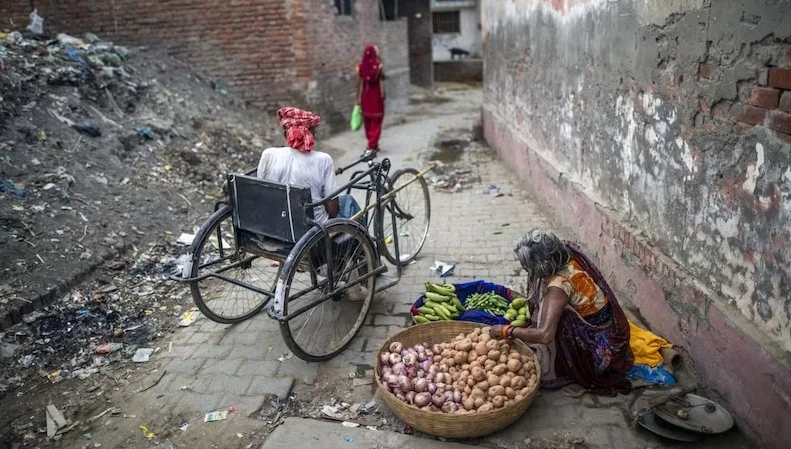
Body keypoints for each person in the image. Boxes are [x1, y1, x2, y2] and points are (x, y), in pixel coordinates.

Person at [490, 230, 634, 395]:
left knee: (558, 320)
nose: (526, 270)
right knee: (551, 310)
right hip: (609, 327)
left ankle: (564, 368)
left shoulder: (559, 286)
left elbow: (545, 335)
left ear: (541, 264)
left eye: (527, 266)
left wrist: (507, 330)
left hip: (600, 347)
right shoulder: (566, 254)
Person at [257, 107, 362, 223]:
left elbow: (261, 193)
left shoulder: (268, 154)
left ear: (285, 134)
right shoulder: (323, 159)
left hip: (275, 222)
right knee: (349, 202)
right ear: (311, 133)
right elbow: (333, 210)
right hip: (312, 226)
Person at [356, 45, 386, 155]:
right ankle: (371, 146)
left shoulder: (360, 67)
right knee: (376, 122)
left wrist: (357, 98)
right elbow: (383, 78)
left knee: (368, 121)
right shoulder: (378, 66)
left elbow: (357, 85)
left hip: (365, 96)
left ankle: (372, 143)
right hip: (376, 97)